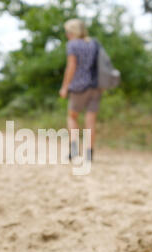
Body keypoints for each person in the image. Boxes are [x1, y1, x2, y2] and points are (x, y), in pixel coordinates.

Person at [59, 18, 101, 162]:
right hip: (95, 86)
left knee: (72, 116)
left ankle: (74, 149)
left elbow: (71, 67)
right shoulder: (93, 43)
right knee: (90, 121)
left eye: (67, 32)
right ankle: (89, 153)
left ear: (72, 32)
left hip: (78, 86)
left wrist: (65, 86)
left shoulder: (73, 45)